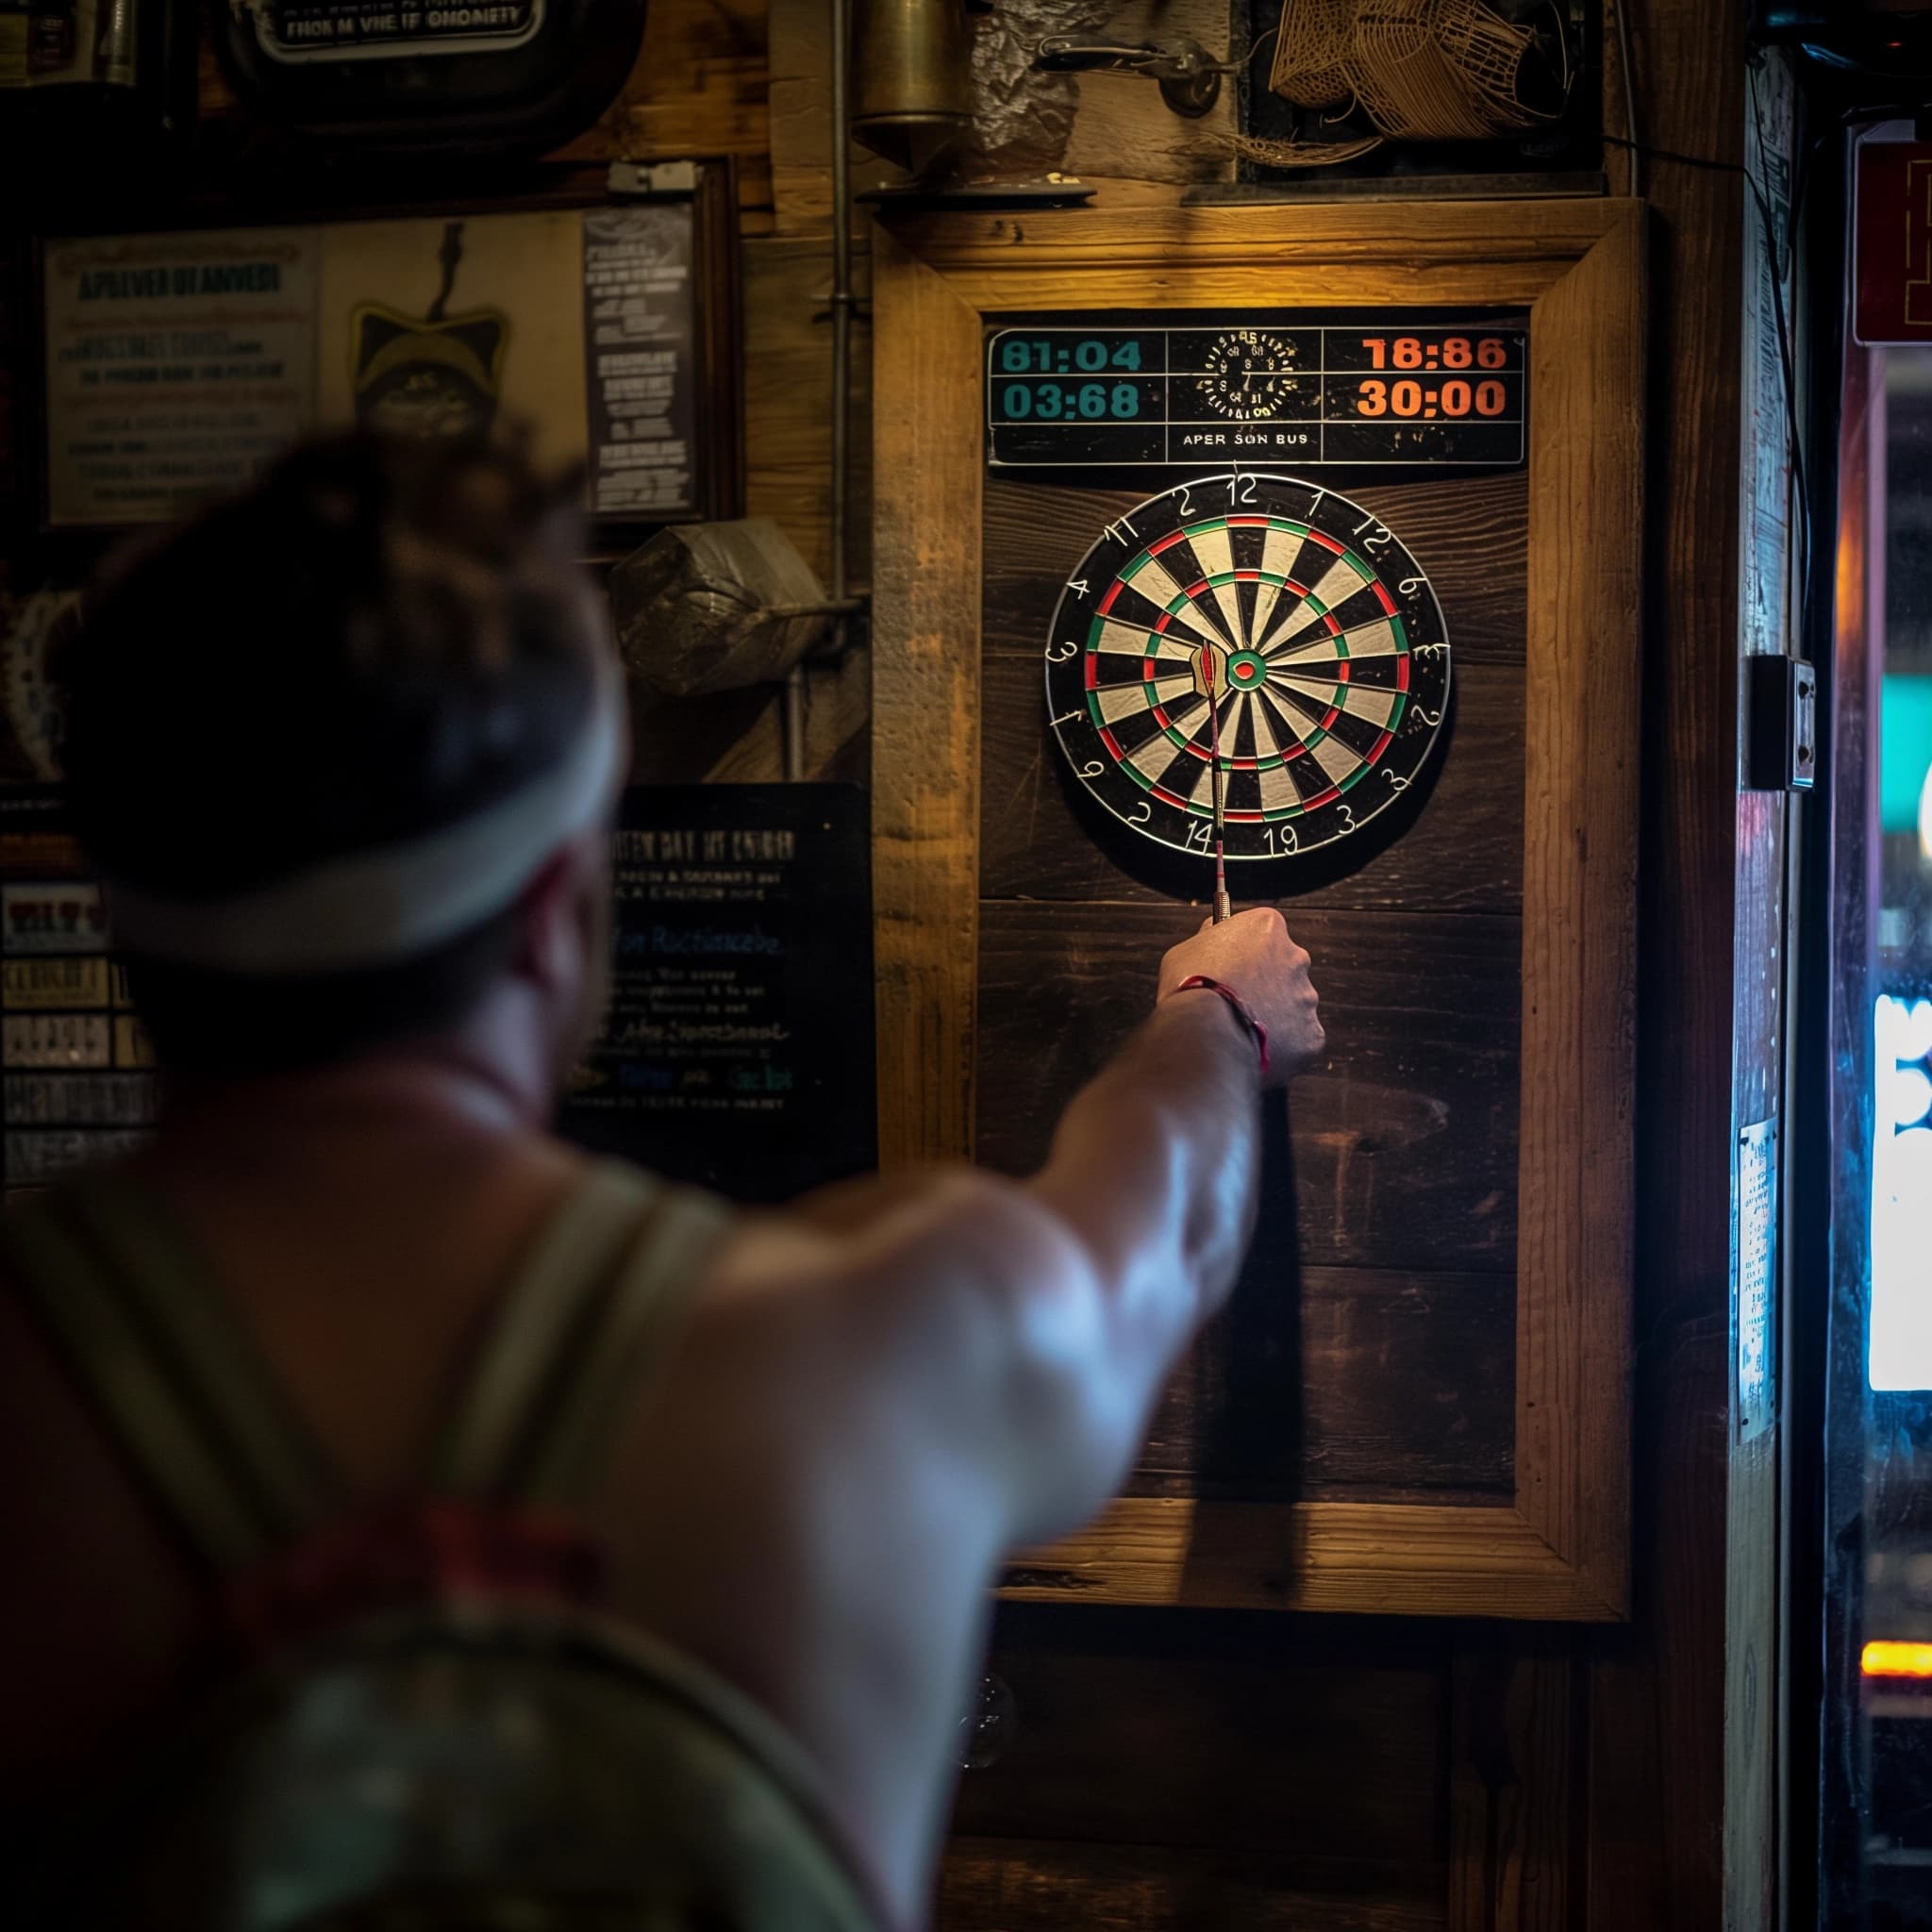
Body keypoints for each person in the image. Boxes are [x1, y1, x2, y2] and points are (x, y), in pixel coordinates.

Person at [0, 434, 1324, 1929]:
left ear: (113, 901)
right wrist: (1218, 1017)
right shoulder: (871, 1347)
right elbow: (1166, 1225)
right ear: (556, 906)